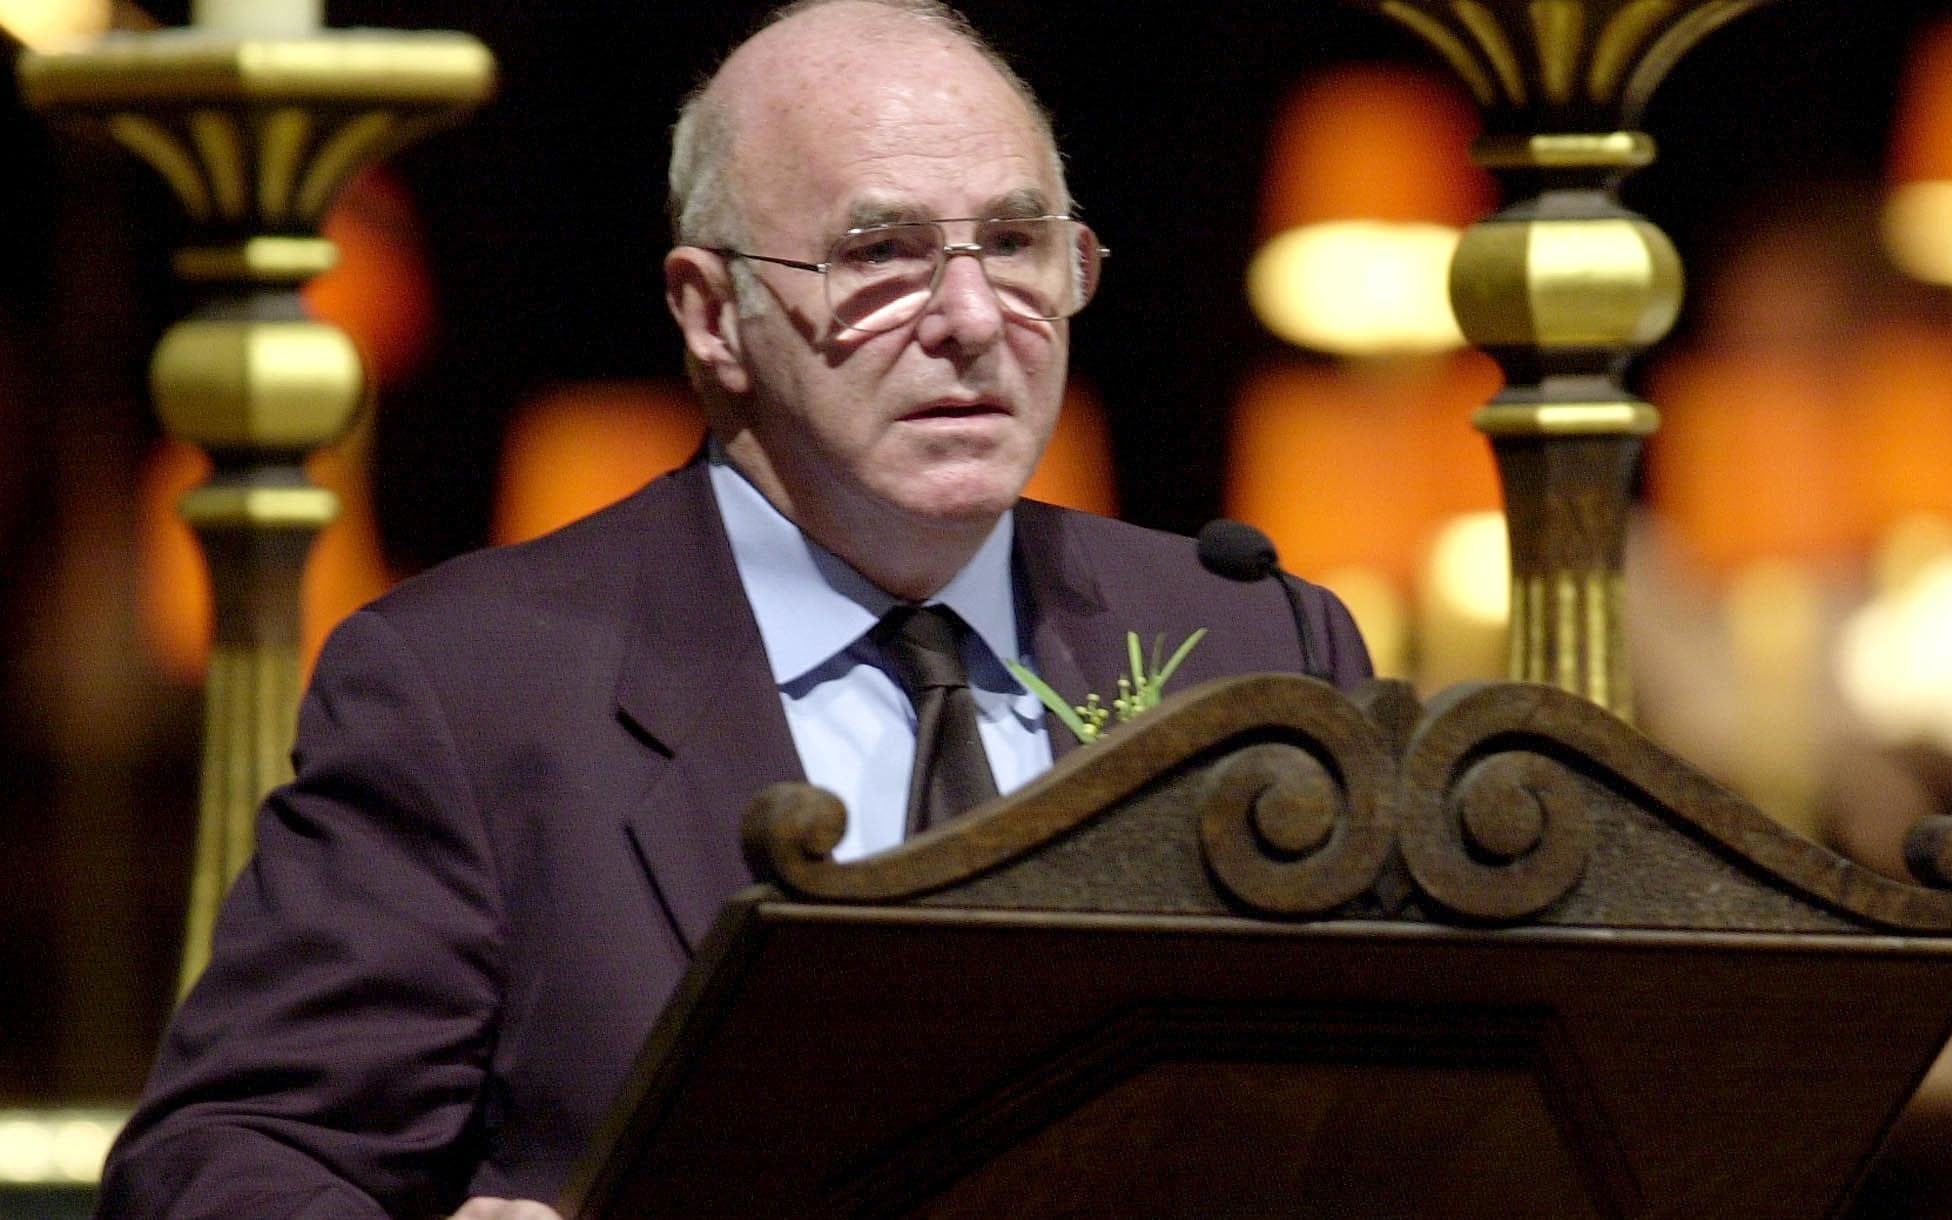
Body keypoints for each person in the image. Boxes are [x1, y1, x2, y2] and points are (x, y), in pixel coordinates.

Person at [96, 2, 1371, 1216]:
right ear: (712, 314)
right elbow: (226, 1158)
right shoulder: (471, 689)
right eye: (880, 255)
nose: (976, 319)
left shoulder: (1253, 643)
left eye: (1019, 243)